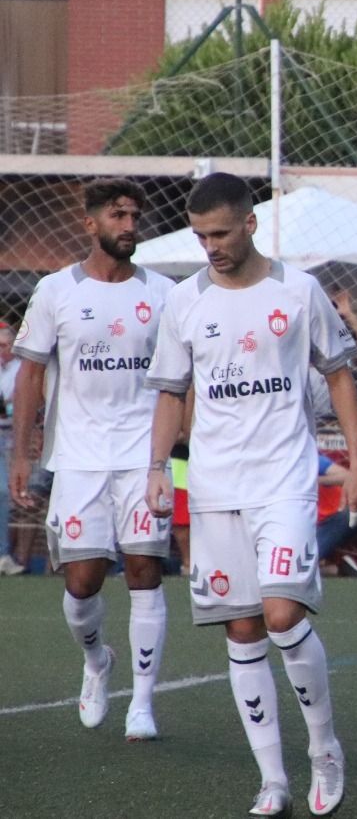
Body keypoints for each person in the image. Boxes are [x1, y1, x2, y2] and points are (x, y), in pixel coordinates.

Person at [143, 171, 357, 817]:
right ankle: (272, 780)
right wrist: (156, 466)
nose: (210, 246)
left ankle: (323, 747)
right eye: (199, 236)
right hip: (215, 488)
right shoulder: (184, 301)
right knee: (240, 631)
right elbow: (169, 389)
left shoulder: (299, 291)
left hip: (284, 481)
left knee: (281, 617)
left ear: (250, 224)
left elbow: (340, 376)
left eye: (219, 233)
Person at [5, 179, 176, 738]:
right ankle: (98, 661)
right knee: (81, 582)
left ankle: (143, 705)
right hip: (76, 459)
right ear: (91, 224)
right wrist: (24, 454)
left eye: (134, 215)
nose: (129, 225)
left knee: (144, 570)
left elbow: (182, 376)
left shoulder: (165, 293)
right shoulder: (56, 290)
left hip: (141, 458)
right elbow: (30, 372)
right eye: (117, 215)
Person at [0, 320, 23, 575]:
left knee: (4, 493)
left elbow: (19, 407)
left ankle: (4, 554)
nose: (2, 351)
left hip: (12, 438)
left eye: (6, 345)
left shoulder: (19, 369)